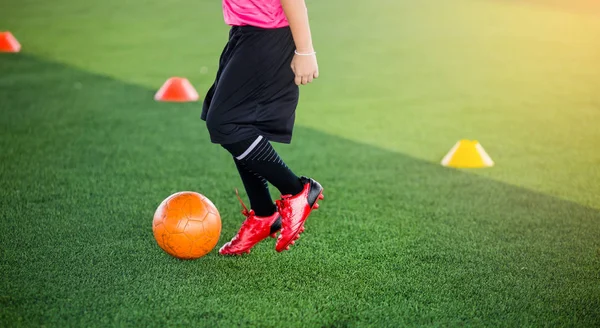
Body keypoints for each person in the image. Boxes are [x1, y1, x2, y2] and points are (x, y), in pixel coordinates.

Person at [201, 0, 324, 255]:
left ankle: (298, 190)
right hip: (244, 31)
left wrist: (305, 50)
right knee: (238, 122)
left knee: (226, 123)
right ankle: (264, 214)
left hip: (268, 33)